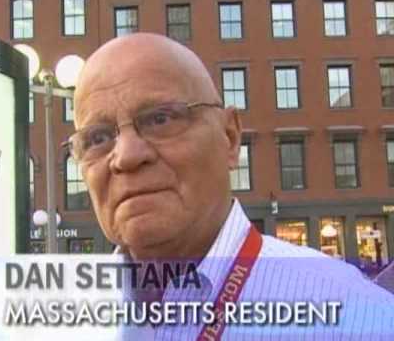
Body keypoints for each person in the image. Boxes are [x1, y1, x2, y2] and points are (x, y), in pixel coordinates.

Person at [69, 33, 394, 340]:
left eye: (160, 119)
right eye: (97, 138)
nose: (125, 156)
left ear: (230, 137)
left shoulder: (358, 318)